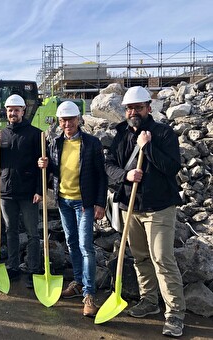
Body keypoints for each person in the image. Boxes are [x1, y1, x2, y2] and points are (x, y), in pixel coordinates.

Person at [105, 86, 185, 337]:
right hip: (132, 207)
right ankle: (149, 301)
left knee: (162, 258)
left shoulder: (163, 134)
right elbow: (108, 166)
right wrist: (126, 175)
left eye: (138, 108)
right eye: (129, 108)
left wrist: (147, 148)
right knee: (140, 258)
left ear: (148, 108)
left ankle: (174, 313)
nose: (133, 112)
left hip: (159, 207)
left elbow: (171, 167)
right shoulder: (119, 135)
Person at [38, 101, 107, 317]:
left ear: (78, 120)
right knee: (72, 243)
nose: (67, 123)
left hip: (84, 202)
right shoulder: (55, 142)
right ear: (59, 122)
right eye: (63, 120)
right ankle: (77, 282)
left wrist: (100, 203)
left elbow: (101, 176)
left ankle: (89, 295)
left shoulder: (92, 143)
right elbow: (54, 171)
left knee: (86, 246)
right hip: (64, 201)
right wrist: (44, 165)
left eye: (70, 119)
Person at [0, 94, 42, 287]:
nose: (13, 113)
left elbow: (43, 167)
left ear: (23, 111)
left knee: (33, 233)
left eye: (17, 110)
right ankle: (13, 265)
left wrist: (39, 190)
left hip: (28, 193)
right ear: (6, 112)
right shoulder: (2, 134)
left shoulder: (35, 134)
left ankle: (33, 269)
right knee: (11, 231)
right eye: (10, 110)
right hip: (6, 192)